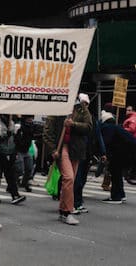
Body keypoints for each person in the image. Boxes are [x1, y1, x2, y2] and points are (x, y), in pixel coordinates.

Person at [51, 94, 92, 225]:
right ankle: (68, 211)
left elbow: (88, 127)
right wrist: (53, 149)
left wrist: (73, 124)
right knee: (68, 177)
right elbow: (48, 130)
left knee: (70, 181)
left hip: (75, 149)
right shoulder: (58, 107)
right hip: (61, 146)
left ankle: (63, 211)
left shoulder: (82, 109)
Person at [100, 110, 136, 203]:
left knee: (115, 172)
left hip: (124, 152)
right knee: (117, 173)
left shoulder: (108, 127)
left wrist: (104, 154)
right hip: (129, 151)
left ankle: (116, 197)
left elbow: (107, 142)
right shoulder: (115, 127)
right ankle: (121, 194)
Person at [0, 114, 26, 205]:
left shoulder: (11, 121)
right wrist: (6, 134)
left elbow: (13, 138)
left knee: (10, 174)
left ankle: (15, 195)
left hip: (10, 151)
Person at [14, 115, 35, 192]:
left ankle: (24, 183)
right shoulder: (19, 126)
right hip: (19, 149)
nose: (30, 120)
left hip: (26, 150)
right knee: (20, 168)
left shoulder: (31, 126)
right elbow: (15, 138)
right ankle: (14, 183)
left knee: (29, 167)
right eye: (29, 118)